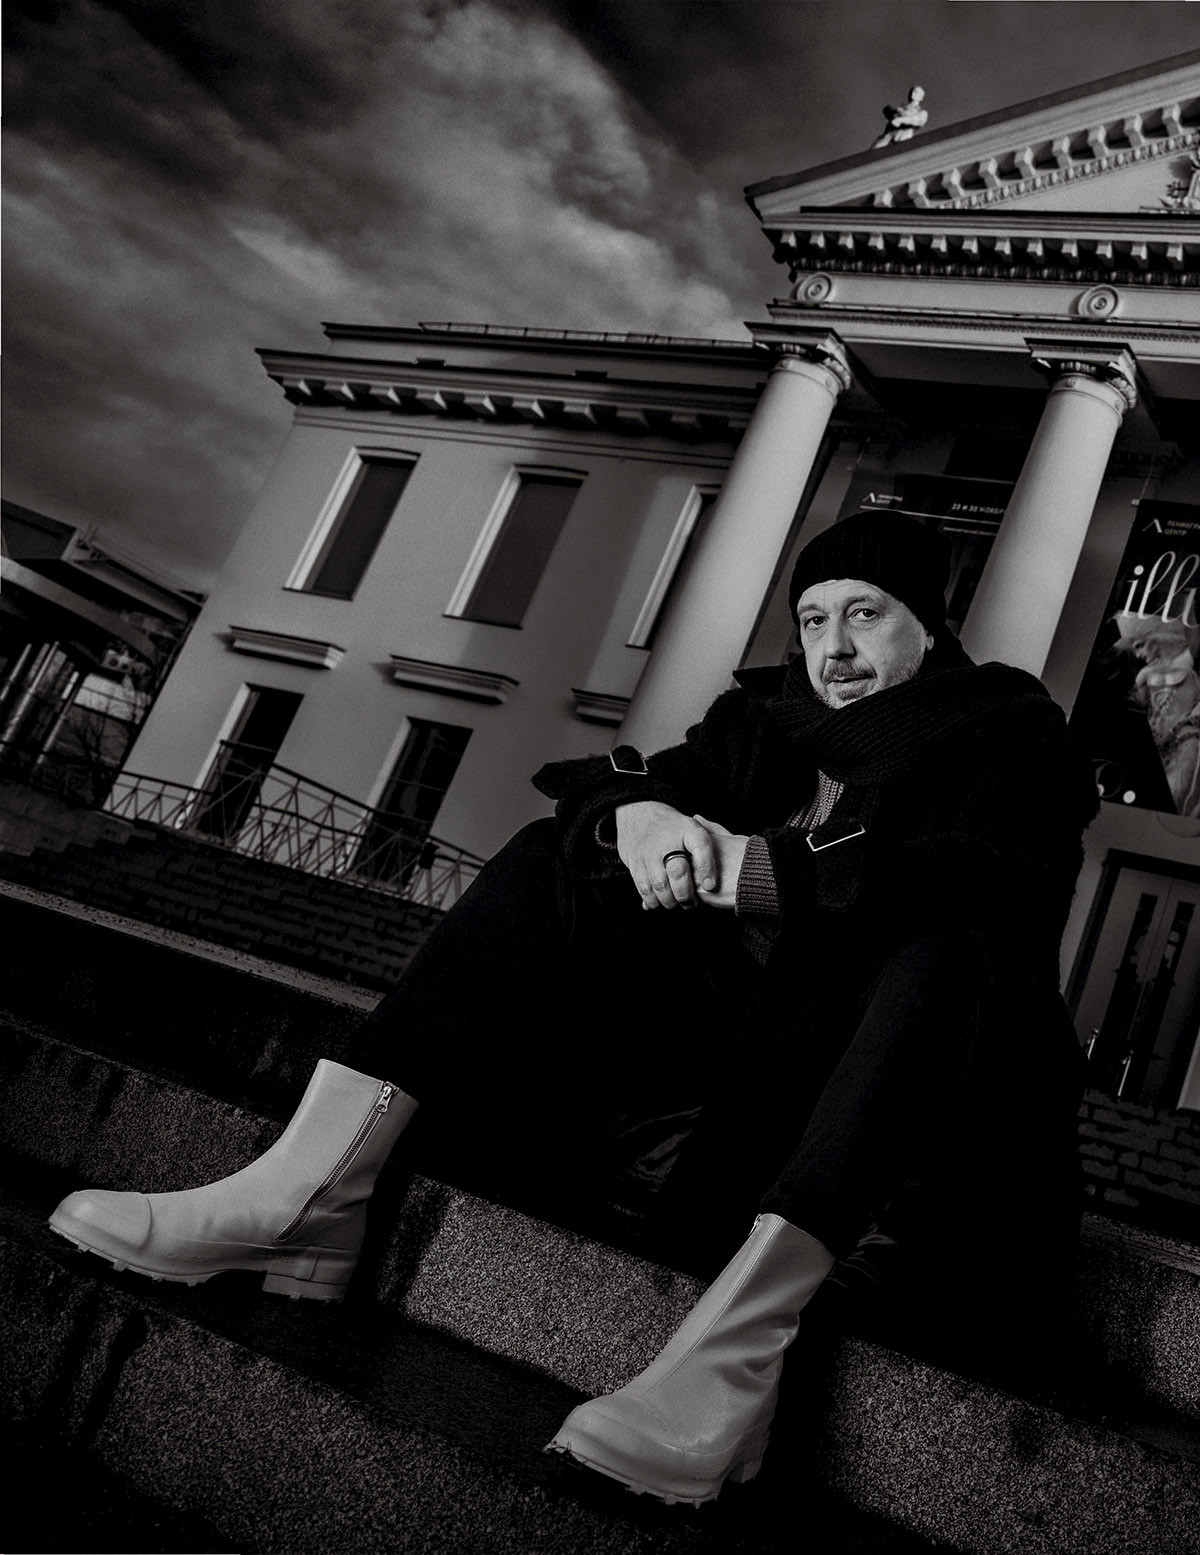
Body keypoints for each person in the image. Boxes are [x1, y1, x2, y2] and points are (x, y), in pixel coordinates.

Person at [49, 510, 1099, 1508]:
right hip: (731, 1083)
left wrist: (766, 872)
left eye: (866, 613)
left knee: (949, 940)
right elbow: (610, 778)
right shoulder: (764, 721)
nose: (835, 648)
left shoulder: (1008, 735)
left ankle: (740, 1355)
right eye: (814, 617)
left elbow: (1001, 877)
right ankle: (310, 1189)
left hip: (900, 1116)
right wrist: (636, 813)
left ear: (928, 625)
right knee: (556, 853)